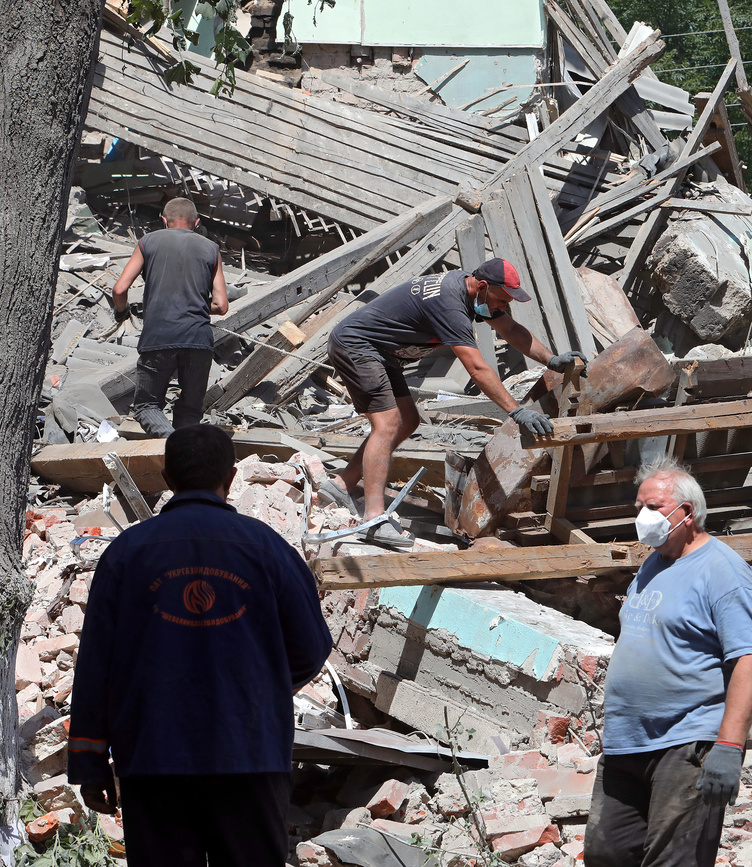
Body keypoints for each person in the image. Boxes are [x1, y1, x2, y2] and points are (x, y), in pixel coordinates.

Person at [68, 424, 332, 867]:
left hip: (154, 758)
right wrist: (259, 692)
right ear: (230, 479)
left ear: (168, 479)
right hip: (249, 754)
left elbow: (96, 664)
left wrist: (90, 762)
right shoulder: (267, 549)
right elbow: (311, 646)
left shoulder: (127, 553)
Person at [584, 457, 752, 867]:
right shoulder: (654, 561)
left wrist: (727, 747)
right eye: (639, 506)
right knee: (606, 854)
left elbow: (751, 660)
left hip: (686, 742)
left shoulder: (723, 572)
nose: (641, 516)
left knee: (674, 860)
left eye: (652, 507)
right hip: (626, 741)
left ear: (686, 513)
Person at [322, 258, 586, 548]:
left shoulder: (476, 293)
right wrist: (517, 411)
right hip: (358, 346)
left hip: (383, 352)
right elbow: (477, 368)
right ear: (482, 286)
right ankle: (373, 519)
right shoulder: (450, 305)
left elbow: (510, 329)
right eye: (501, 300)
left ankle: (341, 485)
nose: (501, 308)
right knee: (386, 425)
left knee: (407, 421)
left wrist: (550, 359)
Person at [111, 197, 229, 437]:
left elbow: (120, 289)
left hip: (159, 337)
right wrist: (193, 306)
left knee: (146, 406)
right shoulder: (211, 248)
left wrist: (121, 312)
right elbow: (221, 305)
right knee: (189, 410)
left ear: (163, 220)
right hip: (198, 338)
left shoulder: (148, 242)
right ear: (196, 223)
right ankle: (183, 456)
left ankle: (171, 442)